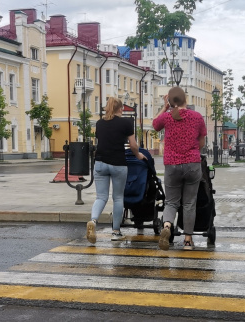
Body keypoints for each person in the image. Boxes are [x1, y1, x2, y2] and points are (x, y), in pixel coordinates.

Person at [152, 87, 206, 251]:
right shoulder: (197, 117)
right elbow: (201, 142)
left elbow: (155, 124)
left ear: (170, 101)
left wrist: (165, 107)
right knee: (189, 203)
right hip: (192, 164)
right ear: (185, 99)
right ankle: (188, 241)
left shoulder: (167, 117)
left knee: (171, 202)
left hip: (172, 165)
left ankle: (167, 226)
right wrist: (193, 150)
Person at [86, 98, 145, 244]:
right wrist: (138, 155)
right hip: (118, 164)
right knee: (118, 198)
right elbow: (133, 145)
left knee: (101, 197)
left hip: (100, 163)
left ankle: (93, 221)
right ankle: (116, 232)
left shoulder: (99, 123)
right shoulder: (126, 123)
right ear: (120, 109)